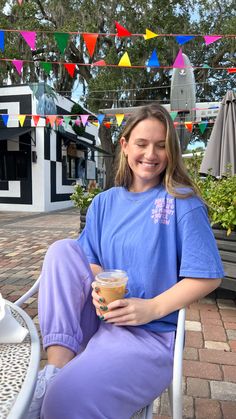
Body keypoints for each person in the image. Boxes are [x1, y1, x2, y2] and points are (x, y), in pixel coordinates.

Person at [27, 103, 224, 419]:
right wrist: (96, 285)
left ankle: (62, 386)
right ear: (125, 145)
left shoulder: (182, 203)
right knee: (62, 250)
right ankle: (57, 366)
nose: (151, 154)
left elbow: (207, 277)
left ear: (171, 151)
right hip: (103, 320)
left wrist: (151, 308)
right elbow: (90, 260)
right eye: (142, 144)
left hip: (150, 335)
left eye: (161, 146)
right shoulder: (104, 202)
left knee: (62, 403)